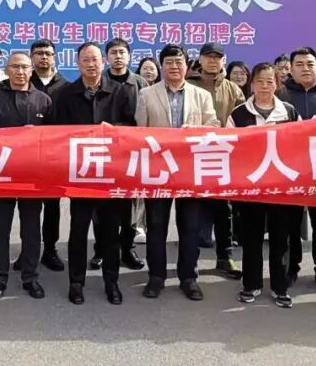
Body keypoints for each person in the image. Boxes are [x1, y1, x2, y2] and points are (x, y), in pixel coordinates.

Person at [53, 41, 137, 305]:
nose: (91, 64)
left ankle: (111, 282)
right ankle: (76, 282)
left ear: (103, 62)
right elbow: (57, 134)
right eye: (85, 60)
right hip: (80, 174)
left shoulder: (122, 92)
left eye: (95, 59)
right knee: (78, 231)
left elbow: (133, 128)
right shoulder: (66, 95)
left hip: (110, 173)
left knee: (110, 232)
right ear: (77, 63)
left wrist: (114, 129)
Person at [136, 44, 218, 301]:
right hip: (158, 171)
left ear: (187, 65)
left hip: (190, 171)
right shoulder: (147, 94)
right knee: (156, 225)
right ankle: (156, 276)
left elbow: (213, 126)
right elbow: (139, 133)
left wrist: (196, 131)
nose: (174, 66)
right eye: (169, 62)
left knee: (190, 226)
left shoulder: (201, 95)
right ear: (162, 66)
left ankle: (188, 277)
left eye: (178, 61)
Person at [0, 52, 52, 300]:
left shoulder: (43, 100)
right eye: (15, 67)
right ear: (6, 70)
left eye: (24, 67)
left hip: (33, 175)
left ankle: (30, 276)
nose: (20, 71)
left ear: (31, 70)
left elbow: (54, 139)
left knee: (31, 229)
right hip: (2, 174)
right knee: (0, 228)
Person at [228, 62, 301, 309]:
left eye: (270, 81)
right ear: (252, 84)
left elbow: (300, 146)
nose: (264, 86)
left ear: (277, 85)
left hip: (281, 187)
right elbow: (229, 148)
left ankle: (280, 287)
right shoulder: (239, 114)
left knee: (281, 239)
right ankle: (251, 284)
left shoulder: (289, 112)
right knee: (252, 238)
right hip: (251, 187)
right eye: (259, 81)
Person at [277, 47, 316, 288]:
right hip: (288, 169)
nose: (305, 68)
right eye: (299, 64)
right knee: (289, 223)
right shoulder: (280, 95)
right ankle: (290, 268)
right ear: (291, 70)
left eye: (310, 64)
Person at [186, 42, 246, 280]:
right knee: (192, 210)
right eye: (208, 57)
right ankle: (190, 259)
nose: (213, 61)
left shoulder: (233, 89)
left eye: (217, 57)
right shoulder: (188, 85)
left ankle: (225, 256)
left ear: (224, 60)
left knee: (224, 210)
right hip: (192, 156)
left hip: (223, 157)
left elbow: (243, 121)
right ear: (200, 60)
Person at [96, 37, 147, 272]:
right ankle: (100, 249)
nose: (118, 56)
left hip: (131, 153)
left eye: (122, 52)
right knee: (101, 205)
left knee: (129, 204)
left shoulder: (140, 83)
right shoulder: (99, 81)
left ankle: (128, 248)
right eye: (113, 53)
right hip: (103, 152)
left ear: (129, 56)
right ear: (106, 58)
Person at [29, 39, 69, 271]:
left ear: (55, 57)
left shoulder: (67, 87)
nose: (43, 57)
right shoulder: (23, 82)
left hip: (55, 157)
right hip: (27, 157)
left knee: (52, 206)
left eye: (48, 53)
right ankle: (29, 251)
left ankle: (50, 249)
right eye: (39, 53)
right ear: (31, 57)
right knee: (29, 207)